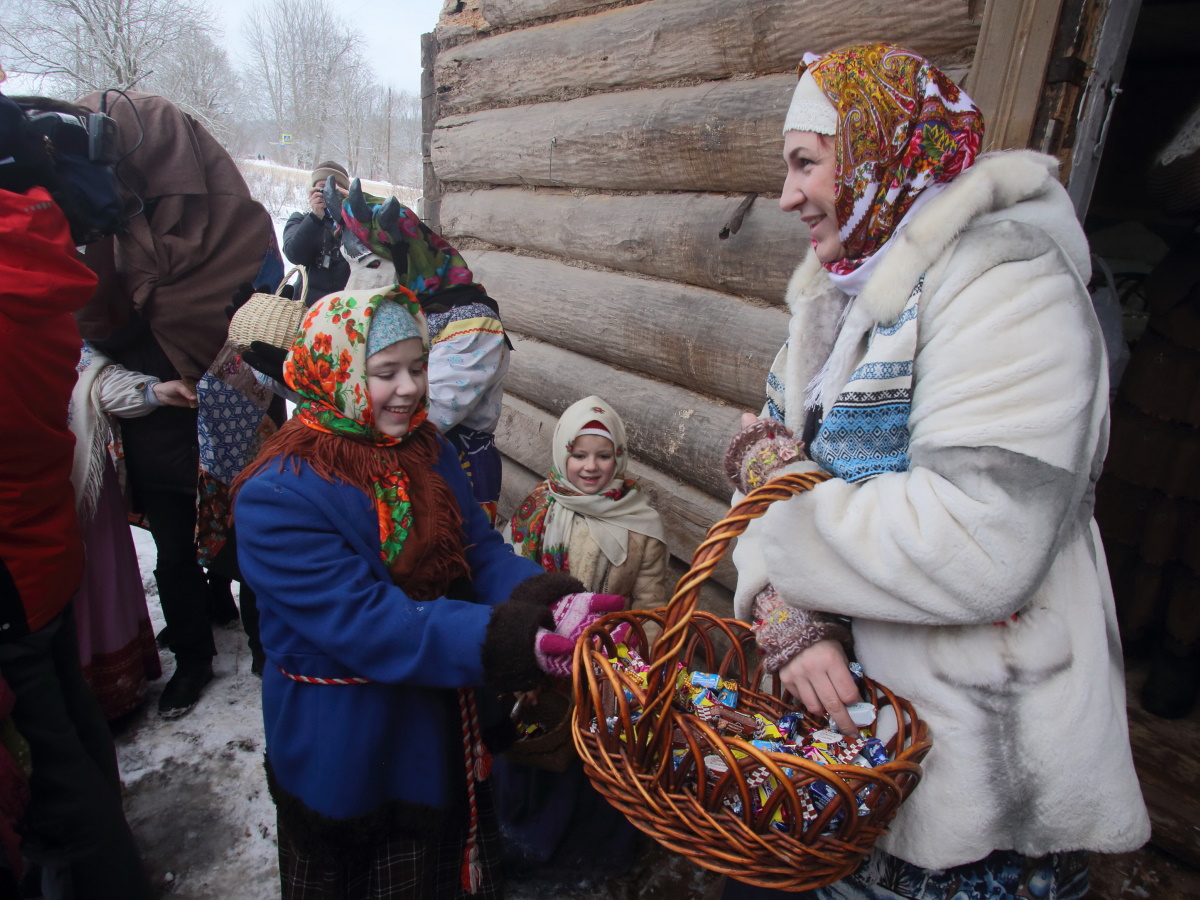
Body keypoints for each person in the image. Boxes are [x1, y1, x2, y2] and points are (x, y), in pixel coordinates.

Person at [721, 43, 1149, 898]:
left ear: (886, 144)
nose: (787, 195)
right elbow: (762, 483)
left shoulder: (1008, 276)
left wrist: (785, 519)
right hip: (854, 753)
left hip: (975, 772)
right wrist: (783, 613)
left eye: (807, 162)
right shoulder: (836, 295)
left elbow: (983, 532)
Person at [232, 286, 621, 898]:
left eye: (419, 366)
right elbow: (368, 621)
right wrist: (512, 639)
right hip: (354, 738)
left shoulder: (425, 450)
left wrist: (550, 600)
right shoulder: (278, 493)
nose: (411, 387)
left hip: (441, 715)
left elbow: (479, 552)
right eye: (385, 372)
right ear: (334, 372)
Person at [74, 90, 280, 718]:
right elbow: (96, 328)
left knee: (254, 545)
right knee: (173, 550)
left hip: (237, 412)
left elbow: (268, 314)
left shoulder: (233, 223)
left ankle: (269, 655)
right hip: (158, 421)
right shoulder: (103, 231)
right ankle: (192, 658)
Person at [0, 89, 153, 899]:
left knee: (50, 763)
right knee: (67, 728)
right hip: (40, 536)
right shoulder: (33, 265)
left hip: (11, 561)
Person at [494, 395, 668, 883]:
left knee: (592, 762)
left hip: (603, 670)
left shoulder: (642, 526)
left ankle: (585, 856)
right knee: (538, 747)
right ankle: (524, 838)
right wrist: (525, 654)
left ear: (620, 458)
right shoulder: (537, 511)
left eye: (603, 455)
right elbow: (514, 587)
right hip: (541, 659)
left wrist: (626, 665)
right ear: (561, 453)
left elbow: (651, 610)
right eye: (579, 453)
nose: (590, 467)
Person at [68, 345, 184, 719]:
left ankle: (109, 690)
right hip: (18, 498)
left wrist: (154, 392)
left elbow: (97, 382)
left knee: (95, 579)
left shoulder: (54, 335)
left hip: (79, 491)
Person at [282, 161, 352, 304]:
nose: (328, 194)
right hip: (307, 307)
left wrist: (352, 212)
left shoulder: (356, 226)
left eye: (335, 190)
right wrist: (315, 218)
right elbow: (294, 255)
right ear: (312, 192)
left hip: (345, 307)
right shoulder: (300, 220)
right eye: (322, 188)